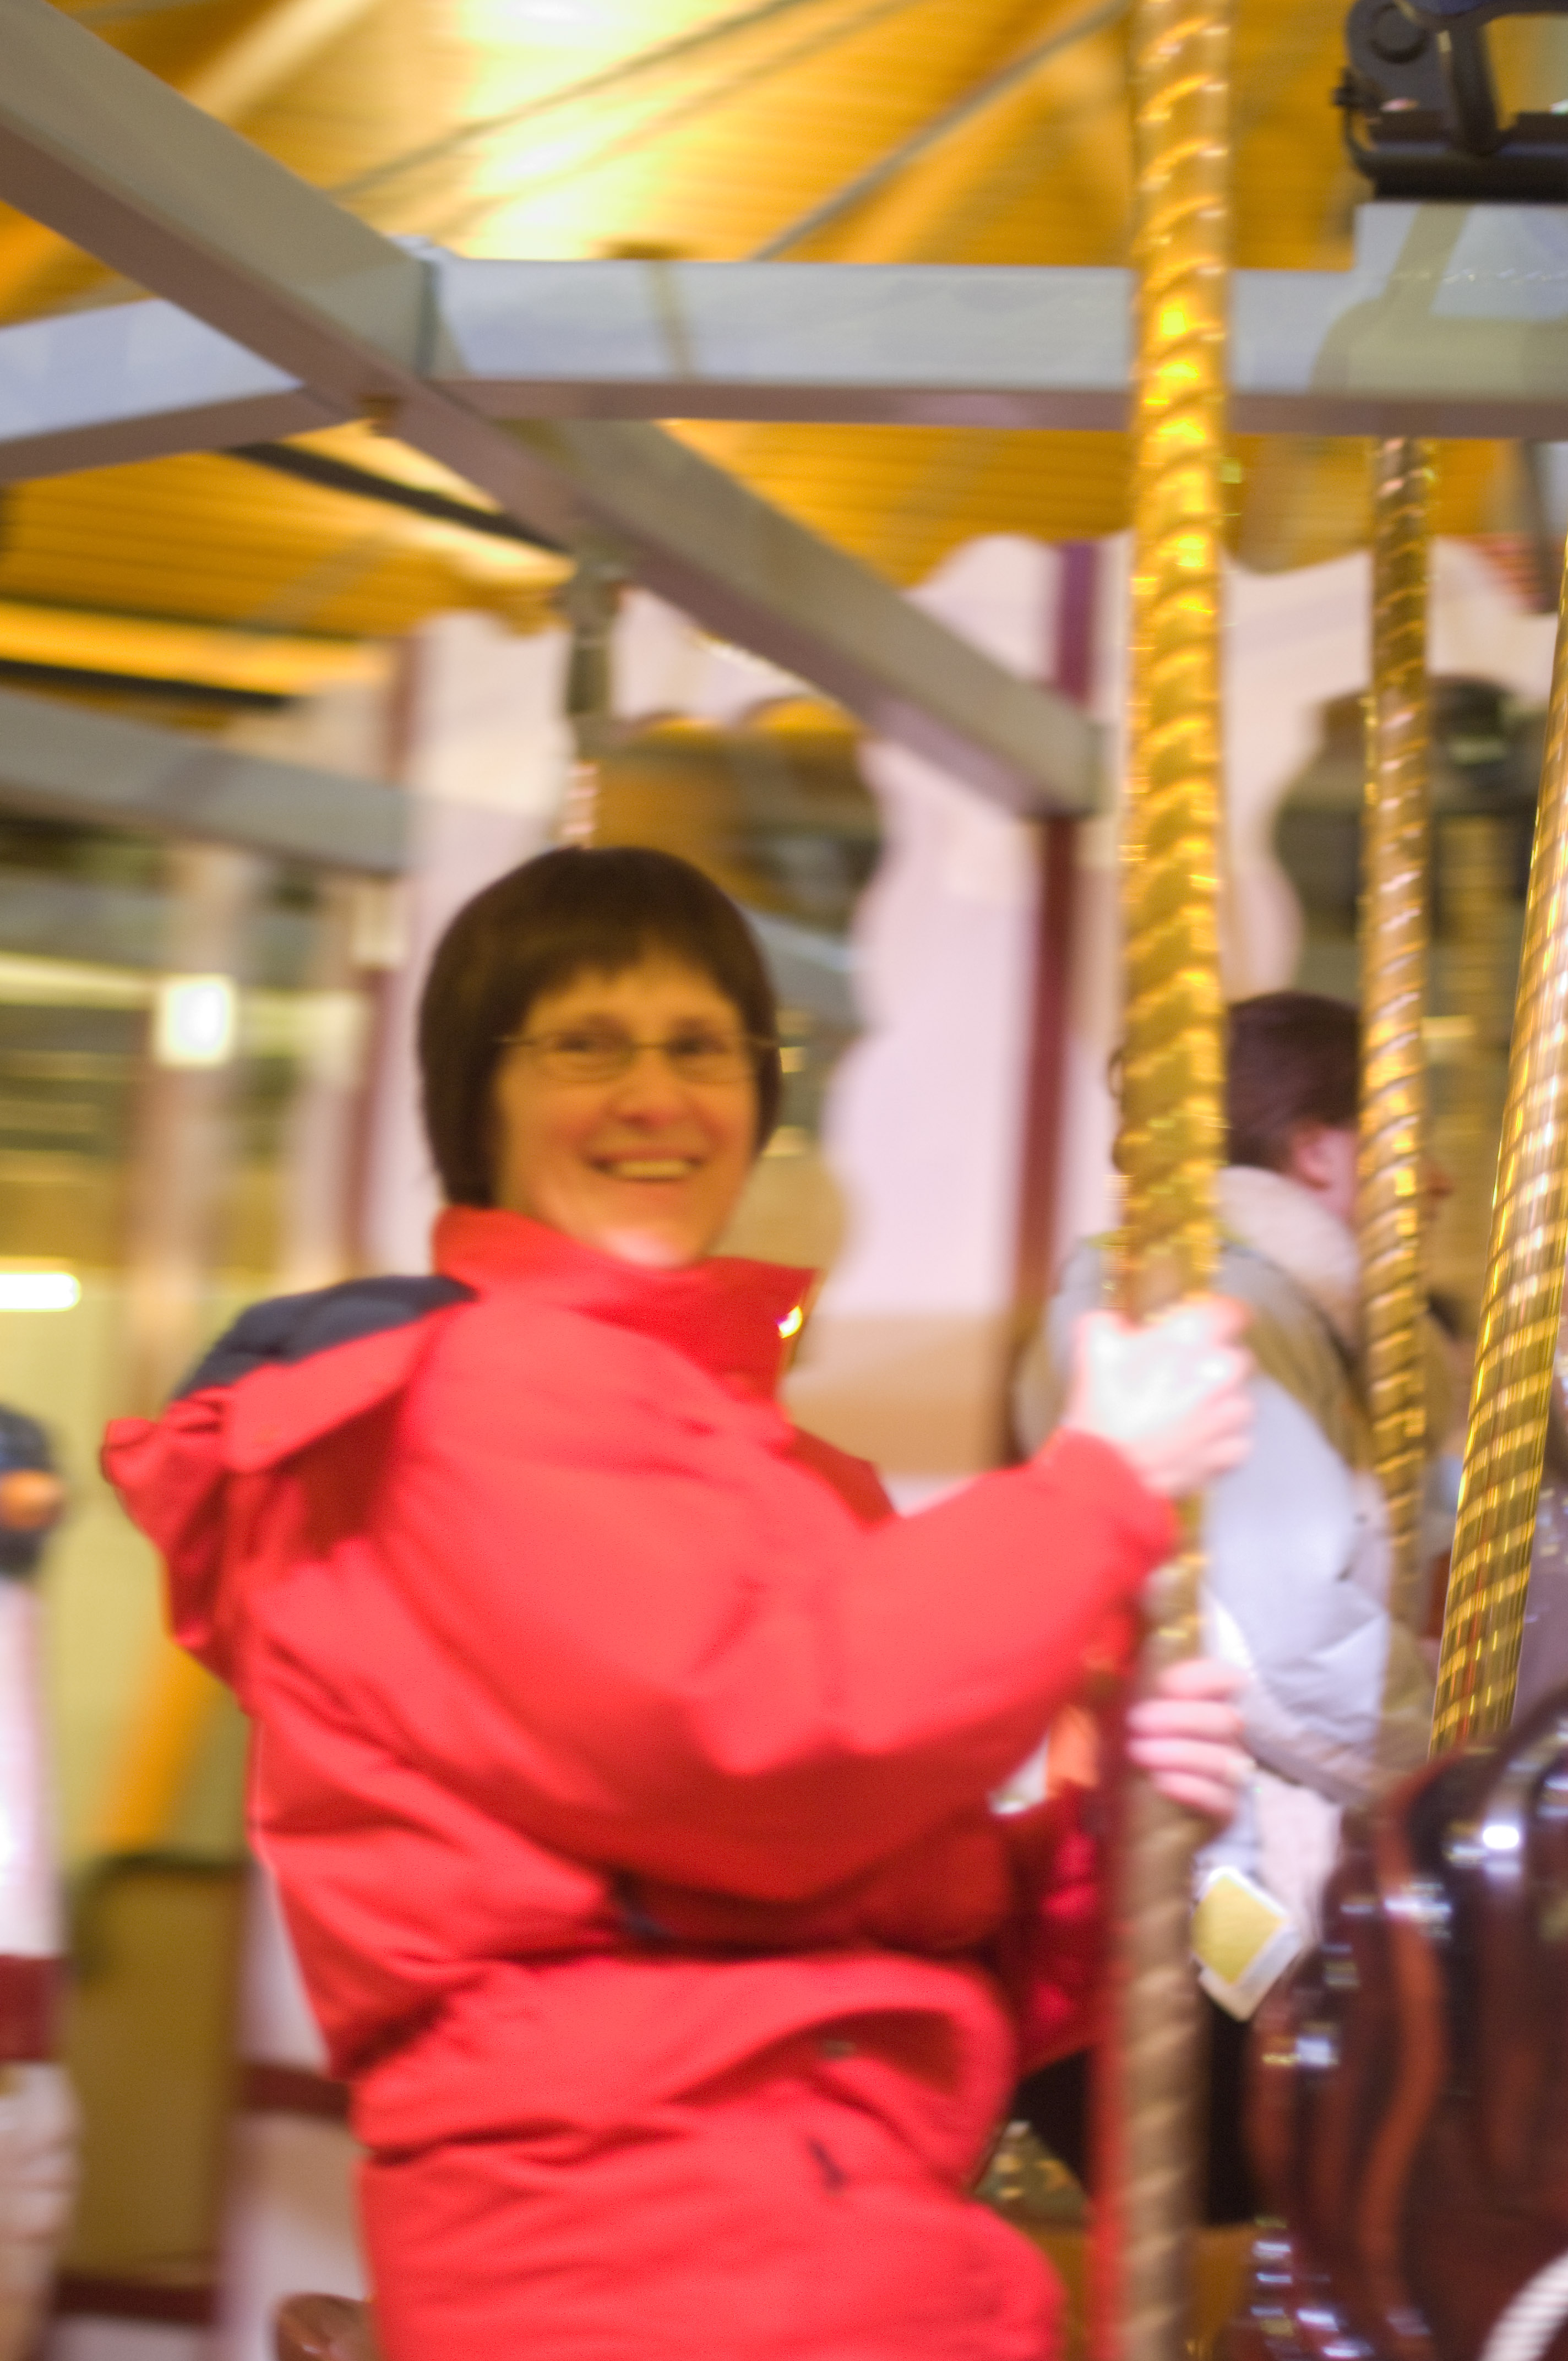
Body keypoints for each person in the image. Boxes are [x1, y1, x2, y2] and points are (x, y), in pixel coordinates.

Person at [104, 846, 1251, 2361]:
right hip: (657, 2250)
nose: (655, 1096)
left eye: (701, 1047)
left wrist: (1105, 1844)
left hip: (826, 2217)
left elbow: (890, 1927)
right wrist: (1096, 1488)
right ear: (474, 1102)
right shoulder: (479, 1395)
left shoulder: (757, 1461)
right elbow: (754, 1740)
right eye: (585, 1045)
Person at [1014, 989, 1441, 2222]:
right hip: (1216, 1891)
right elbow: (1280, 1641)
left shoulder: (1301, 1320)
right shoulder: (1220, 1313)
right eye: (1405, 1142)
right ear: (1317, 1151)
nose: (1437, 1183)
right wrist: (1457, 1764)